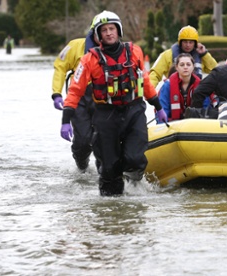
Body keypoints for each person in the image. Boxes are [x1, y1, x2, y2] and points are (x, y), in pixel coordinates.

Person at [59, 10, 167, 196]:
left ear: (119, 31)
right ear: (98, 35)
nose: (108, 33)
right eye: (104, 30)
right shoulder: (89, 60)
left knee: (134, 159)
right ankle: (111, 212)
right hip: (105, 115)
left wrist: (158, 106)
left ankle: (134, 185)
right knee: (109, 170)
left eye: (112, 29)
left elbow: (145, 81)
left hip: (133, 112)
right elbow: (75, 90)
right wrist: (65, 120)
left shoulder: (135, 52)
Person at [51, 16, 99, 172]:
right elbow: (60, 67)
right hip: (80, 99)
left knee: (103, 137)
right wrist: (56, 94)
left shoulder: (116, 50)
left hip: (104, 98)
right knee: (83, 140)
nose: (106, 34)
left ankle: (105, 169)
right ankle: (81, 162)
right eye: (101, 31)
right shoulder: (75, 46)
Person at [149, 25, 218, 88]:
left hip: (194, 93)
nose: (188, 45)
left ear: (195, 43)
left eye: (190, 42)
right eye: (185, 42)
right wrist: (149, 92)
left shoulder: (201, 56)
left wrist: (205, 54)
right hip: (173, 92)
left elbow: (216, 71)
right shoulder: (167, 55)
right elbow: (155, 74)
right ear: (180, 42)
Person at [157, 53, 203, 122]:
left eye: (188, 64)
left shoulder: (201, 86)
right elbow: (162, 109)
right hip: (172, 125)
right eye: (182, 65)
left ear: (193, 66)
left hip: (195, 125)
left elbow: (206, 107)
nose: (185, 67)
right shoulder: (167, 86)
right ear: (176, 67)